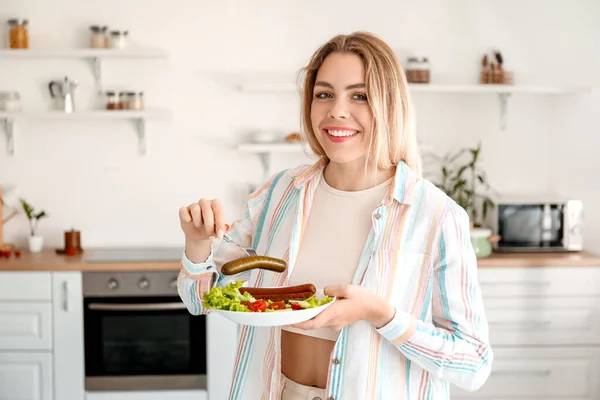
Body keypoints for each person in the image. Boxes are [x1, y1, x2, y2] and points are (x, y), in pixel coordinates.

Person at [177, 31, 492, 400]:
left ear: (389, 106)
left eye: (359, 96)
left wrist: (381, 315)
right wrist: (197, 244)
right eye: (324, 94)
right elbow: (200, 301)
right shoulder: (279, 194)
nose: (336, 111)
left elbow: (473, 363)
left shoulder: (435, 216)